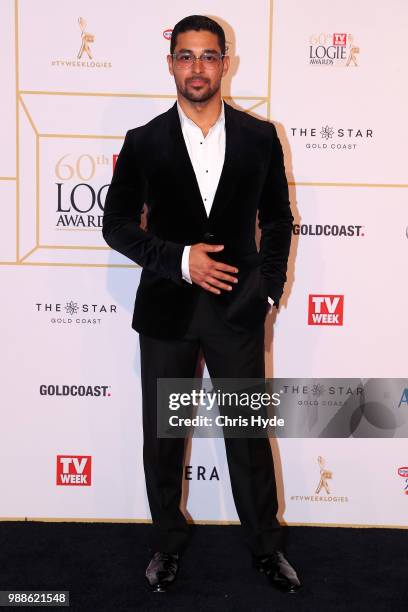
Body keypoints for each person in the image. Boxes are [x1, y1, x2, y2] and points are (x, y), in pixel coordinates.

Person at [103, 14, 301, 594]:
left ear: (225, 63)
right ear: (171, 64)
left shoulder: (260, 137)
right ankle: (167, 544)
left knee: (246, 435)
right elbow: (116, 225)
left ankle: (267, 548)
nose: (197, 67)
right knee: (163, 438)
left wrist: (267, 288)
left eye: (208, 56)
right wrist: (179, 259)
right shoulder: (143, 141)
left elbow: (279, 220)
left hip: (238, 311)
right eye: (185, 56)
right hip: (167, 310)